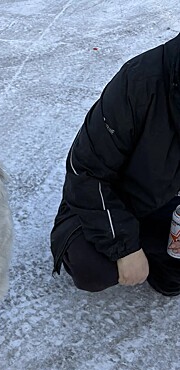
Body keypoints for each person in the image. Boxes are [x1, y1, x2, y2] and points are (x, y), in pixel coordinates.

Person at [50, 33, 180, 296]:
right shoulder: (140, 81)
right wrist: (125, 248)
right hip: (118, 202)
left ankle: (158, 254)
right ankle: (131, 245)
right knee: (93, 268)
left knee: (172, 282)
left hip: (170, 206)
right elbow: (85, 171)